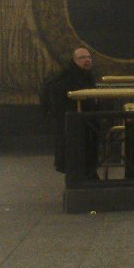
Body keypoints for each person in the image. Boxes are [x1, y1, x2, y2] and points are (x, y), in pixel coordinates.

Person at [44, 47, 98, 178]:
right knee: (74, 153)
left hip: (86, 121)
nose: (87, 60)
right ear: (74, 60)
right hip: (71, 122)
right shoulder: (66, 78)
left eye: (88, 57)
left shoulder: (87, 75)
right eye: (82, 58)